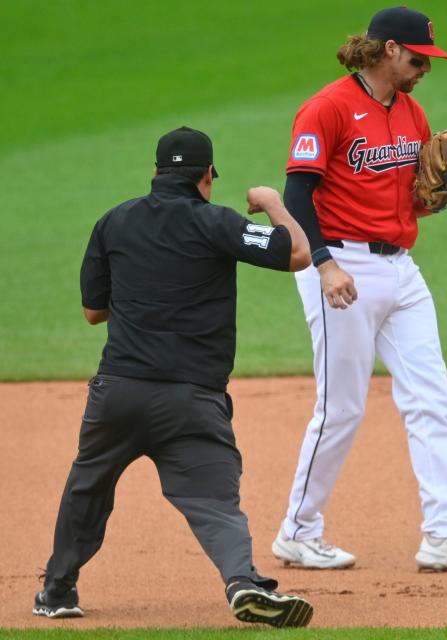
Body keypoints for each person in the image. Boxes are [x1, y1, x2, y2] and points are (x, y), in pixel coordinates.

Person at [34, 127, 315, 627]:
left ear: (156, 173)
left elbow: (92, 312)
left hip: (118, 393)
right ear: (207, 176)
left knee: (88, 486)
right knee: (215, 502)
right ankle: (243, 582)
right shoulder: (215, 222)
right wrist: (273, 202)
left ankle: (57, 591)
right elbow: (296, 252)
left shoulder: (113, 222)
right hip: (191, 401)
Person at [274, 6, 447, 572]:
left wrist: (430, 200)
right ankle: (298, 532)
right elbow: (298, 195)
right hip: (341, 269)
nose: (425, 66)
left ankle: (444, 535)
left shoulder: (412, 113)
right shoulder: (327, 109)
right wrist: (326, 266)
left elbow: (410, 199)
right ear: (387, 51)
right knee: (341, 408)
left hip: (402, 271)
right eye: (417, 56)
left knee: (431, 398)